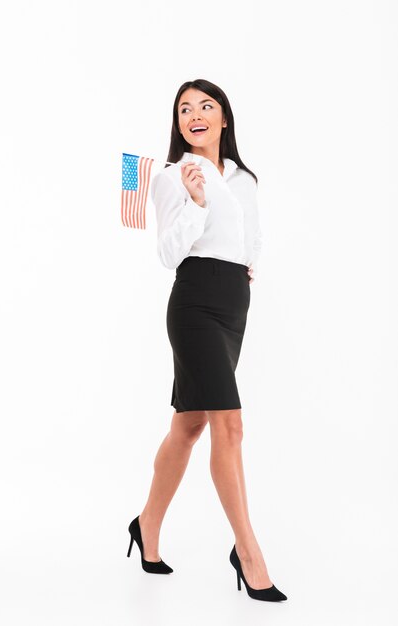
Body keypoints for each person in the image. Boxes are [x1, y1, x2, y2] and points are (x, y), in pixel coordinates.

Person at [126, 78, 287, 602]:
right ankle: (249, 551)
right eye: (184, 109)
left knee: (189, 425)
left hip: (234, 304)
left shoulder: (245, 178)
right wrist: (195, 201)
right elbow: (168, 255)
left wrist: (247, 264)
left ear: (224, 118)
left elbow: (253, 235)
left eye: (205, 105)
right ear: (178, 124)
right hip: (193, 301)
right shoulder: (172, 176)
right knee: (230, 424)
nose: (194, 114)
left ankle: (146, 525)